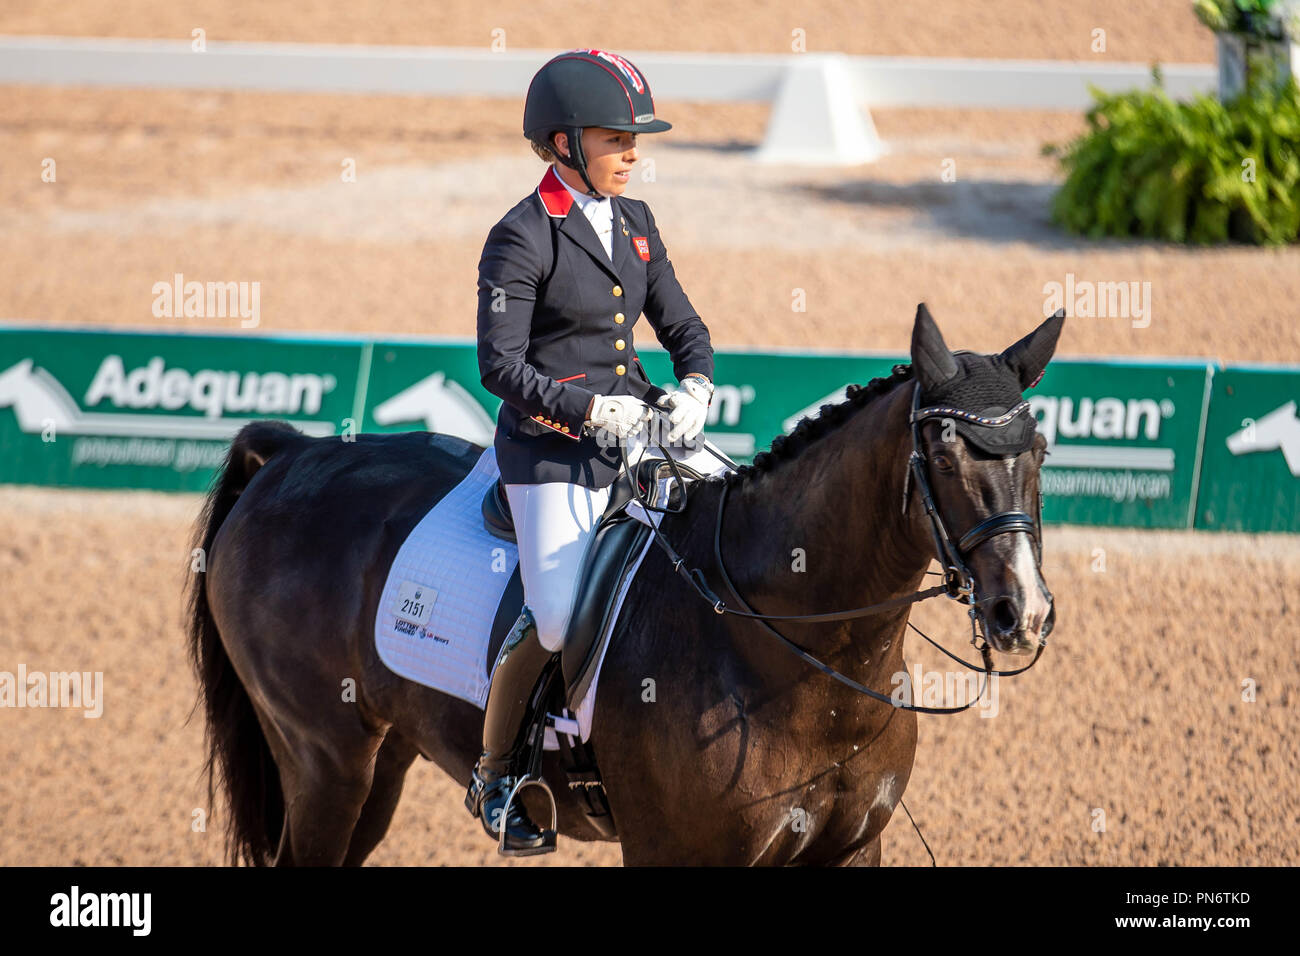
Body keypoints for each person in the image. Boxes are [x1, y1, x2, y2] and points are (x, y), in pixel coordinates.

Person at [466, 48, 722, 855]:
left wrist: (696, 385)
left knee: (735, 523)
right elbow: (498, 366)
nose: (634, 153)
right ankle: (498, 774)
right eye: (618, 139)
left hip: (643, 430)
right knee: (553, 619)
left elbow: (684, 327)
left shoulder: (638, 225)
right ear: (566, 143)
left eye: (634, 139)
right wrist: (587, 410)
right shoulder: (520, 235)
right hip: (551, 455)